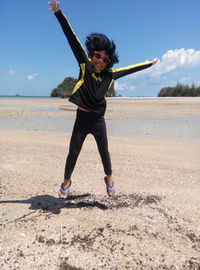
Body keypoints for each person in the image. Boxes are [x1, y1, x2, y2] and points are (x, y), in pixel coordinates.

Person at [48, 0, 159, 198]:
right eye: (98, 56)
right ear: (92, 54)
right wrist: (58, 13)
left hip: (98, 121)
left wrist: (150, 63)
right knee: (73, 152)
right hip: (81, 120)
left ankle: (109, 178)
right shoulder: (85, 64)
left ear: (109, 62)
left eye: (106, 59)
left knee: (104, 152)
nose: (100, 61)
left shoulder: (111, 74)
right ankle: (66, 182)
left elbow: (131, 68)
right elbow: (71, 38)